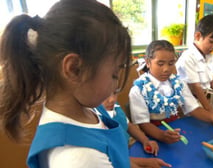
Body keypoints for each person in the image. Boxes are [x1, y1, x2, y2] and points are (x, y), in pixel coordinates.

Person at [0, 0, 134, 167]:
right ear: (74, 69)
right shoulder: (81, 158)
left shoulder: (88, 106)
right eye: (115, 74)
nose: (115, 86)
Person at [129, 40, 213, 144]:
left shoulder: (178, 83)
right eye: (160, 64)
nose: (166, 69)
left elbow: (193, 108)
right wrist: (161, 135)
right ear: (148, 62)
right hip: (153, 136)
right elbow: (143, 123)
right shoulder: (138, 90)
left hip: (177, 130)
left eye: (171, 63)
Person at [97, 93, 171, 167]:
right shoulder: (94, 120)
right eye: (104, 96)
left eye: (115, 93)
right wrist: (143, 162)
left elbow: (128, 125)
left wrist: (145, 140)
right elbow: (108, 159)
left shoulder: (114, 106)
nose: (112, 99)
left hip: (127, 148)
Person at [176, 14, 213, 114]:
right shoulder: (188, 57)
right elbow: (196, 88)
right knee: (190, 125)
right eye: (211, 41)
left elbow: (211, 79)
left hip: (200, 99)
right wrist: (209, 110)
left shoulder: (208, 56)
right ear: (198, 36)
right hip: (185, 103)